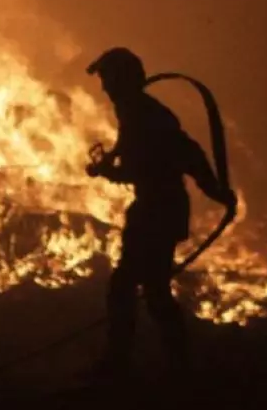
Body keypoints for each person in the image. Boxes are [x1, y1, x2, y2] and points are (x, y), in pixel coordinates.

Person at [84, 47, 235, 379]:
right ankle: (173, 366)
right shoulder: (133, 113)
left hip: (158, 210)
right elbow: (176, 155)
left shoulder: (146, 115)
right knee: (152, 291)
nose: (104, 88)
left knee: (128, 287)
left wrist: (217, 191)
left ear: (125, 80)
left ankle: (123, 364)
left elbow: (175, 158)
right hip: (156, 209)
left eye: (108, 79)